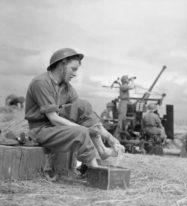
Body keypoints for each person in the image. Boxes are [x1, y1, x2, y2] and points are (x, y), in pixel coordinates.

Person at [25, 48, 124, 180]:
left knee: (83, 105)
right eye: (73, 69)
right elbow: (53, 118)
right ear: (62, 64)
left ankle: (102, 150)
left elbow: (85, 112)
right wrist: (84, 129)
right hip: (41, 129)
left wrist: (110, 138)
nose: (75, 74)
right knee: (81, 132)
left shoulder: (67, 87)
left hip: (56, 127)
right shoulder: (41, 82)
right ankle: (96, 173)